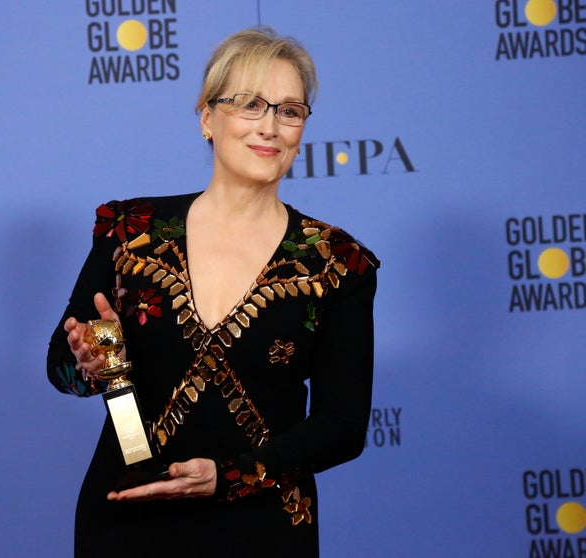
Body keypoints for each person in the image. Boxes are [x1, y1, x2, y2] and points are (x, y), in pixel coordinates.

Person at [47, 26, 379, 558]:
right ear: (207, 118)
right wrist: (93, 362)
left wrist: (230, 476)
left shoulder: (336, 262)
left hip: (264, 525)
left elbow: (342, 426)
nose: (270, 126)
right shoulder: (131, 230)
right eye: (250, 105)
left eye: (290, 110)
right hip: (127, 514)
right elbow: (63, 371)